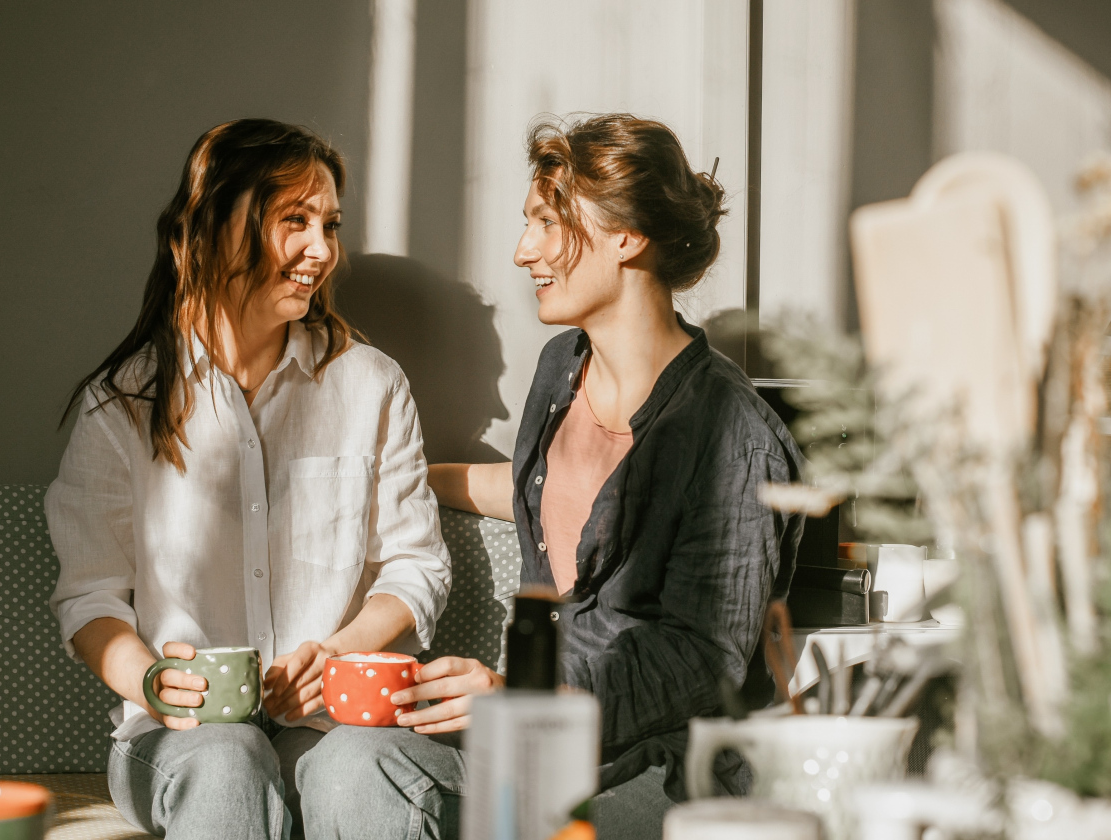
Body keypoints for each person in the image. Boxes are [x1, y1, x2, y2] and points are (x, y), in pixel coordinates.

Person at [360, 113, 805, 833]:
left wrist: (519, 698)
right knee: (352, 767)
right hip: (536, 741)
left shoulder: (734, 434)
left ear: (626, 236)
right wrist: (389, 484)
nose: (521, 251)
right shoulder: (560, 367)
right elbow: (542, 490)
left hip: (656, 767)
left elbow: (701, 660)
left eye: (544, 222)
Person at [46, 118, 453, 840]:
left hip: (329, 724)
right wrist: (151, 681)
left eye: (330, 224)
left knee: (359, 772)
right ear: (209, 226)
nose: (322, 251)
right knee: (227, 760)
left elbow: (415, 567)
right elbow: (89, 594)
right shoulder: (123, 405)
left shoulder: (371, 384)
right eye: (294, 220)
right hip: (179, 738)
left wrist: (336, 651)